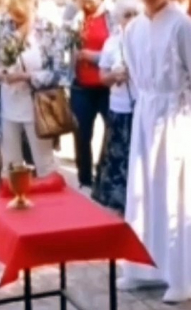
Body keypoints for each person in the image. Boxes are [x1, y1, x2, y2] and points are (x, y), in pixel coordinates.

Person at [118, 0, 191, 302]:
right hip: (148, 114)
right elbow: (135, 75)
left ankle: (183, 275)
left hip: (178, 116)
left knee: (176, 195)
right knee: (144, 191)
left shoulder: (183, 26)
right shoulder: (132, 29)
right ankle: (143, 267)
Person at [0, 0, 63, 179]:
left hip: (38, 106)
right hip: (7, 104)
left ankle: (50, 204)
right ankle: (15, 201)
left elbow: (60, 72)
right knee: (10, 165)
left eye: (21, 17)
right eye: (13, 16)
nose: (15, 21)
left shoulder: (50, 30)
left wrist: (28, 76)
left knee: (44, 164)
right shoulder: (1, 27)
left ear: (34, 7)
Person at [91, 0, 139, 215]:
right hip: (119, 108)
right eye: (126, 14)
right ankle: (118, 204)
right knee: (118, 156)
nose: (130, 19)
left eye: (134, 14)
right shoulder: (112, 43)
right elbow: (102, 77)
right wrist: (114, 76)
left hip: (142, 108)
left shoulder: (147, 41)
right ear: (119, 18)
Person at [67, 0, 115, 190]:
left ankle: (102, 173)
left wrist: (92, 56)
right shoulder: (76, 16)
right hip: (81, 86)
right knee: (81, 134)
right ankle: (85, 179)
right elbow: (62, 44)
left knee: (111, 131)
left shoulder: (111, 16)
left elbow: (119, 48)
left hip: (107, 85)